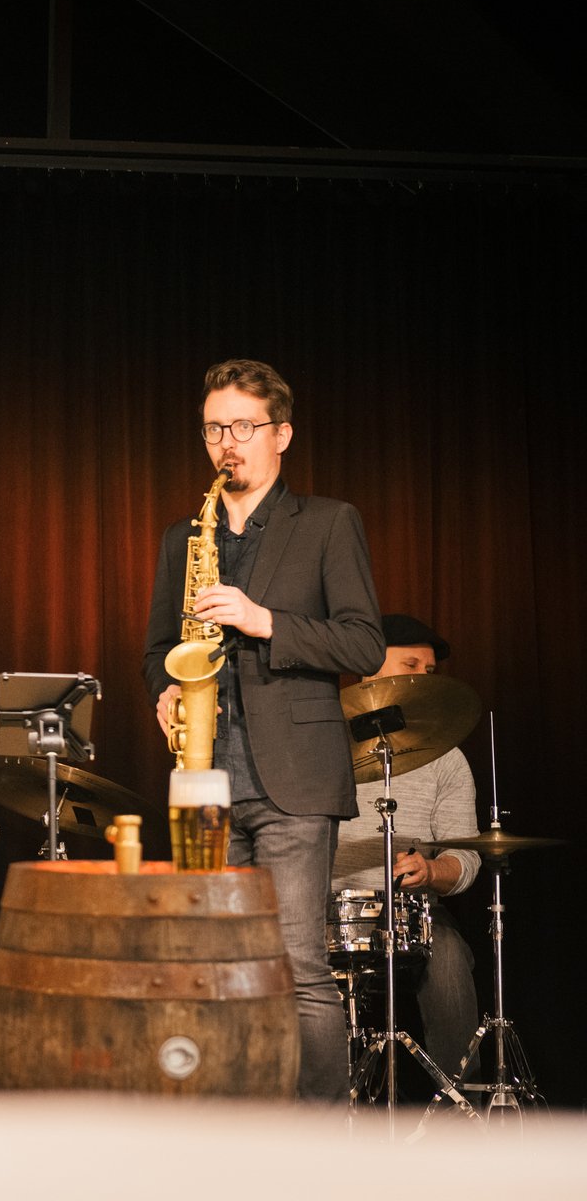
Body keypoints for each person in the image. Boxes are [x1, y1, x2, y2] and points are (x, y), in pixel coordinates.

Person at [143, 359, 384, 1102]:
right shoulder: (185, 537)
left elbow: (363, 644)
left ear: (282, 434)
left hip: (294, 781)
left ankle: (318, 1141)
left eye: (243, 427)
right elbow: (158, 650)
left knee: (298, 969)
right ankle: (231, 1133)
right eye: (214, 428)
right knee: (210, 971)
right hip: (204, 779)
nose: (227, 443)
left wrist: (263, 620)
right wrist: (165, 692)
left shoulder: (328, 521)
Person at [331, 613, 481, 1082]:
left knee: (450, 959)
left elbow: (467, 856)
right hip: (327, 911)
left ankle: (461, 1108)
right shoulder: (321, 747)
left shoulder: (447, 758)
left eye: (428, 670)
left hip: (414, 915)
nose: (423, 677)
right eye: (410, 665)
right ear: (367, 670)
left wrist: (432, 872)